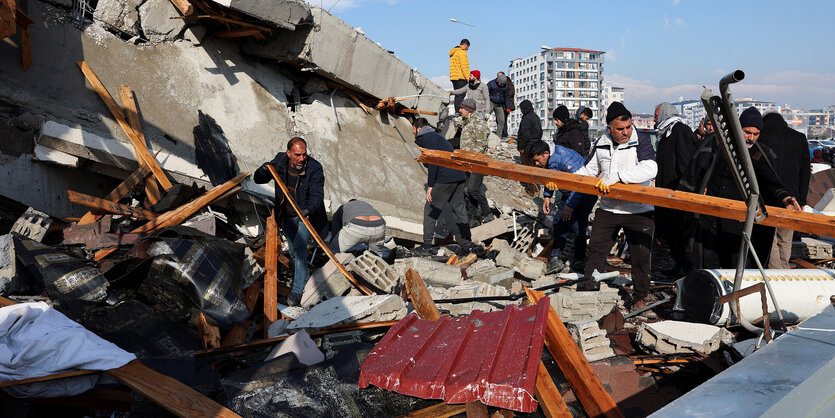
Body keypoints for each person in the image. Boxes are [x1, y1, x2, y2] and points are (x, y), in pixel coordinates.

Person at [691, 107, 801, 269]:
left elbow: (770, 180)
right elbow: (698, 169)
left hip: (738, 222)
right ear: (738, 128)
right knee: (709, 263)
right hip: (712, 218)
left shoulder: (758, 154)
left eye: (755, 134)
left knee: (736, 264)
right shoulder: (720, 145)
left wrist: (785, 197)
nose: (751, 138)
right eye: (747, 132)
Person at [577, 102, 657, 312]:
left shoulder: (641, 141)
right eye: (620, 129)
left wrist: (619, 177)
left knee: (640, 259)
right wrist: (561, 181)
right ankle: (589, 292)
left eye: (628, 127)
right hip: (609, 209)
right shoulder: (601, 143)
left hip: (638, 210)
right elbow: (588, 170)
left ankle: (640, 297)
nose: (626, 132)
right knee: (595, 251)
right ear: (609, 128)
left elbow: (650, 168)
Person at [254, 137, 326, 307]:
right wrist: (264, 170)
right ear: (289, 153)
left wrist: (307, 211)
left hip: (305, 216)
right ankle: (307, 281)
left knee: (300, 249)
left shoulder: (315, 168)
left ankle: (296, 293)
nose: (302, 159)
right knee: (293, 252)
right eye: (298, 155)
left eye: (304, 155)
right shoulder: (280, 161)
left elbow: (317, 196)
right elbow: (258, 179)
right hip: (286, 215)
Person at [531, 141, 597, 271]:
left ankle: (579, 260)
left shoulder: (565, 159)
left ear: (546, 153)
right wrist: (547, 196)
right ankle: (556, 257)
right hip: (569, 193)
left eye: (538, 160)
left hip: (586, 192)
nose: (536, 164)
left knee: (578, 226)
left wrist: (570, 205)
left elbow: (580, 183)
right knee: (559, 223)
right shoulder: (550, 159)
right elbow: (551, 177)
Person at [759, 112, 810, 268]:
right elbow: (805, 172)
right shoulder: (799, 138)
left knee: (770, 238)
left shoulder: (761, 135)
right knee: (785, 238)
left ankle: (776, 271)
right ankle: (783, 268)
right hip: (791, 197)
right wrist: (802, 201)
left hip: (766, 195)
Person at [413, 118, 472, 253]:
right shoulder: (437, 137)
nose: (412, 132)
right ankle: (467, 245)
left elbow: (434, 161)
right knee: (459, 210)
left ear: (418, 128)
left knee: (430, 210)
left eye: (413, 129)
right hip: (459, 177)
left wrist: (431, 185)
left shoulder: (427, 137)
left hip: (445, 178)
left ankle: (427, 245)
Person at [653, 102, 697, 276]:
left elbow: (687, 164)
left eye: (656, 116)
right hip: (667, 192)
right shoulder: (666, 134)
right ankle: (678, 264)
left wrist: (683, 189)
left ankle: (684, 268)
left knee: (680, 232)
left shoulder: (681, 131)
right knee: (671, 231)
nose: (655, 119)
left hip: (678, 193)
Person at [458, 98, 494, 226]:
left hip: (477, 163)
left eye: (461, 108)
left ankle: (487, 213)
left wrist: (470, 158)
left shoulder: (478, 124)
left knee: (473, 189)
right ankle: (473, 218)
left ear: (468, 110)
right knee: (468, 190)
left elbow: (480, 144)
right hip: (467, 163)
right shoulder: (466, 123)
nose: (459, 110)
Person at [515, 99, 543, 196]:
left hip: (528, 148)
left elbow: (525, 135)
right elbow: (539, 132)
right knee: (534, 168)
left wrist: (522, 147)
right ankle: (537, 188)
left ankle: (530, 191)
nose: (520, 111)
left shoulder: (526, 118)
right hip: (535, 147)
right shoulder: (535, 117)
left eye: (521, 109)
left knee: (528, 169)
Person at [448, 39, 471, 112]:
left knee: (457, 95)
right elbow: (464, 66)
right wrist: (468, 77)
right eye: (467, 48)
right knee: (461, 95)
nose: (467, 50)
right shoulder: (461, 52)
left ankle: (457, 111)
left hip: (454, 77)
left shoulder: (454, 52)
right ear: (465, 45)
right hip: (460, 77)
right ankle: (458, 112)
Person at [487, 74, 511, 139]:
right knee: (487, 114)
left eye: (503, 84)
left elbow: (507, 97)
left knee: (501, 120)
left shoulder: (505, 86)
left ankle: (498, 136)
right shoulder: (491, 84)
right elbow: (485, 93)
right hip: (491, 101)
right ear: (497, 81)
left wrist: (508, 107)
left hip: (499, 104)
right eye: (501, 84)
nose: (502, 85)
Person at [499, 72, 516, 138]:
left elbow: (511, 92)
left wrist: (503, 96)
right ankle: (502, 133)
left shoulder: (508, 83)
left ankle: (504, 134)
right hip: (502, 104)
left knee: (503, 119)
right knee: (501, 119)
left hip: (506, 105)